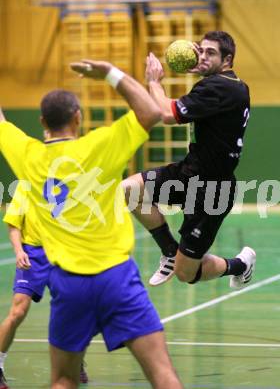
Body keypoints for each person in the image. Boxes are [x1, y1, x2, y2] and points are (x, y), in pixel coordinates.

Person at [0, 61, 183, 388]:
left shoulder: (27, 155)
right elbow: (153, 112)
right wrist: (111, 73)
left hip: (68, 286)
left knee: (64, 380)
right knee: (163, 376)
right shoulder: (99, 146)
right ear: (78, 117)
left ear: (42, 122)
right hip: (117, 278)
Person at [123, 31, 256, 288]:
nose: (202, 56)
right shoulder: (232, 85)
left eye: (211, 53)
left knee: (186, 274)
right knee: (129, 191)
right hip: (189, 173)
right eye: (201, 50)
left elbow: (166, 113)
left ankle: (240, 264)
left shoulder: (219, 87)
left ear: (227, 60)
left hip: (211, 191)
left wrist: (154, 81)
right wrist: (202, 71)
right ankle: (170, 252)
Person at [0, 182, 88, 389]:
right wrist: (19, 250)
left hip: (64, 252)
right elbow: (14, 223)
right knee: (18, 310)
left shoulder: (72, 182)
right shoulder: (27, 184)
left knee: (74, 311)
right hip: (34, 254)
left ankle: (74, 362)